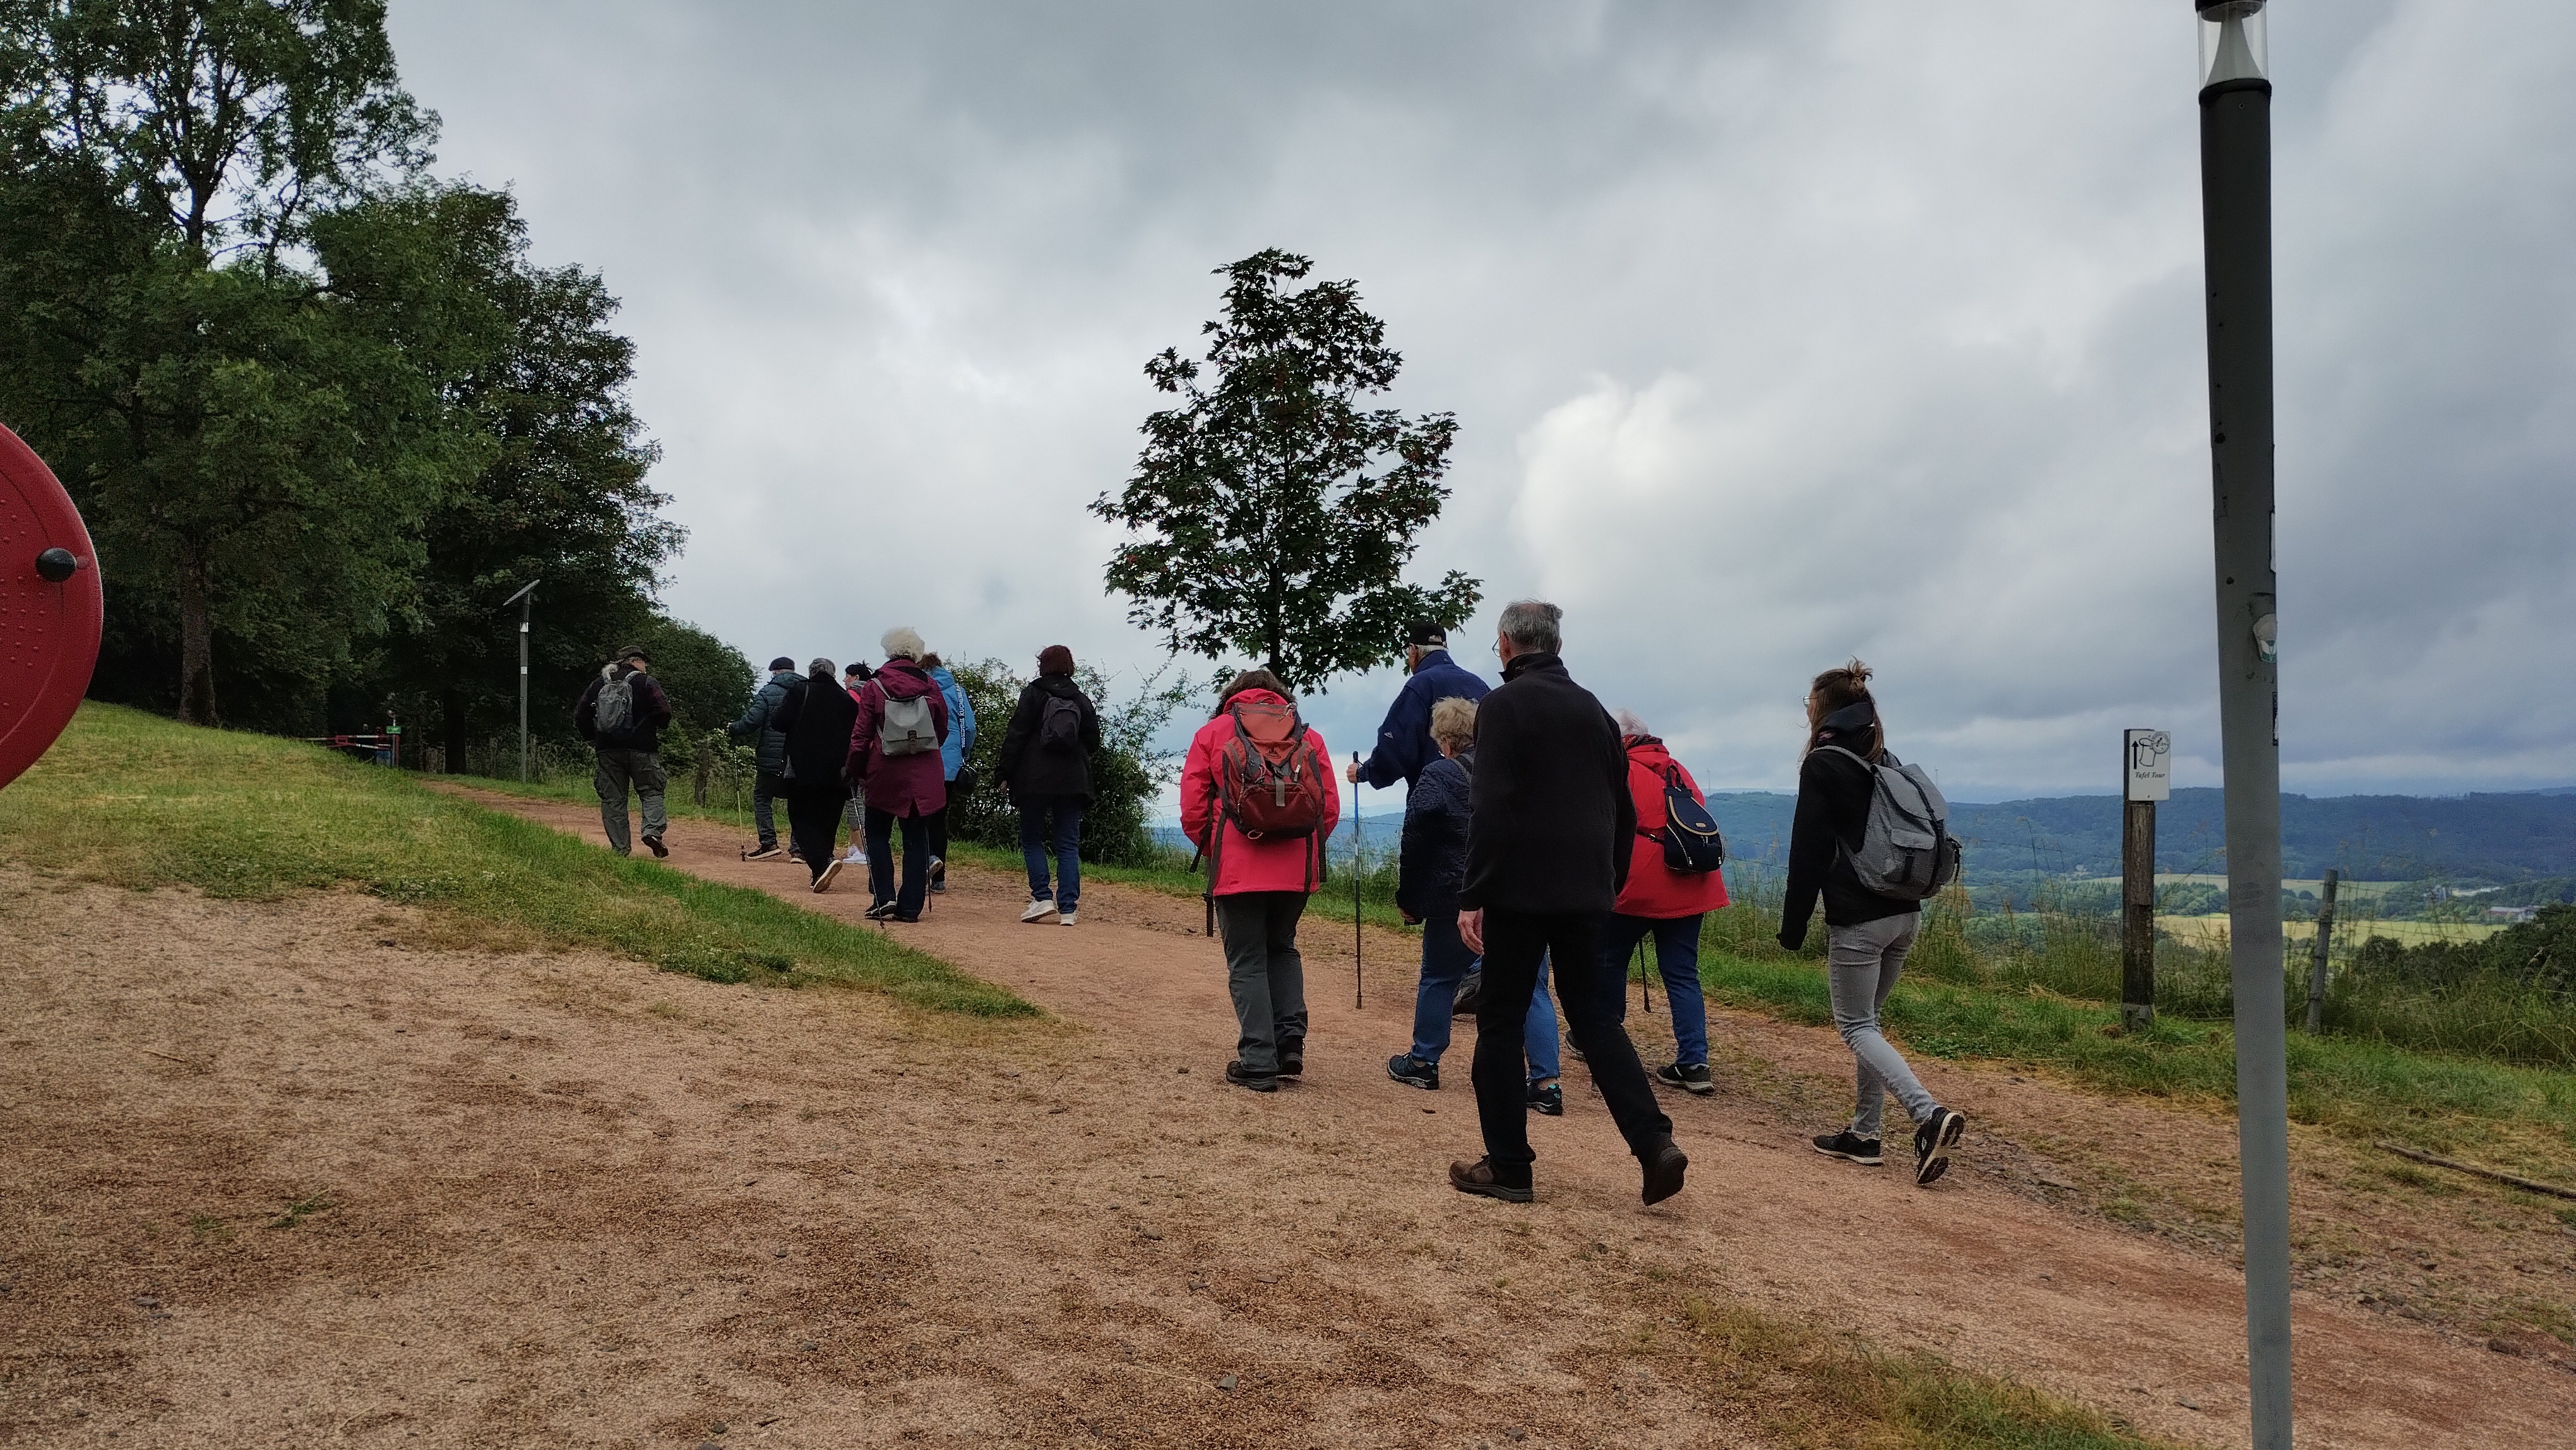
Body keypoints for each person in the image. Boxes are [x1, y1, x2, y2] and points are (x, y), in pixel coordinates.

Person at [1448, 600, 1687, 1206]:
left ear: (1505, 644)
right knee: (1597, 1022)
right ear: (1554, 644)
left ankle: (1509, 1166)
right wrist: (1608, 880)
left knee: (1500, 1021)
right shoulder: (1595, 711)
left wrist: (1473, 893)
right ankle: (1655, 1144)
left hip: (1519, 893)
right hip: (1587, 894)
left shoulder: (1503, 706)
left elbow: (1492, 807)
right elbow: (1625, 812)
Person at [1782, 659, 1967, 1187]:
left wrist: (1793, 927)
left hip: (1860, 921)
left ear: (1820, 711)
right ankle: (1865, 1136)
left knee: (1856, 1026)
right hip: (1906, 915)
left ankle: (1928, 1114)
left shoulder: (1824, 764)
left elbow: (1807, 852)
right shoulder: (1883, 760)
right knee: (1871, 1027)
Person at [1385, 696, 1566, 1114]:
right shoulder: (1520, 772)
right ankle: (1546, 1082)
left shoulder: (1438, 775)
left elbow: (1415, 841)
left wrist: (1410, 898)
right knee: (1533, 986)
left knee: (1439, 977)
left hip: (1458, 897)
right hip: (1524, 898)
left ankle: (1424, 1062)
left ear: (1446, 741)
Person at [1179, 669, 1337, 1092]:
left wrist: (1216, 847)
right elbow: (1329, 808)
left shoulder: (1212, 733)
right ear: (1279, 697)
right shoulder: (1309, 736)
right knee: (1282, 947)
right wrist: (1299, 845)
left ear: (1233, 697)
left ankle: (1258, 1060)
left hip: (1237, 864)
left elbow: (1193, 808)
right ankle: (1289, 1045)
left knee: (1247, 959)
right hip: (1295, 869)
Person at [1602, 709, 1731, 1094]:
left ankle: (1605, 1044)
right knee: (1681, 974)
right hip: (1693, 884)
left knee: (1609, 961)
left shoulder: (1620, 769)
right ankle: (1694, 1063)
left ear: (1621, 738)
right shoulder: (1677, 769)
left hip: (1639, 885)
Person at [994, 645, 1102, 925]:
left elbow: (1016, 734)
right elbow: (1094, 741)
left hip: (1034, 779)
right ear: (1070, 665)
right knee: (1067, 844)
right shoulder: (1080, 698)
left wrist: (1004, 772)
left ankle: (1042, 898)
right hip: (1073, 780)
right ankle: (1068, 909)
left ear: (1042, 664)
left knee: (1032, 838)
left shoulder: (1033, 693)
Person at [847, 628, 950, 921]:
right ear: (916, 653)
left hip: (884, 772)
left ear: (889, 652)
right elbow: (942, 729)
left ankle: (884, 897)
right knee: (916, 839)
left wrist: (856, 768)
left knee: (877, 834)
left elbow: (860, 734)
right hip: (923, 775)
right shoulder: (930, 686)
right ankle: (910, 907)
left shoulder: (875, 686)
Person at [1346, 620, 1489, 791]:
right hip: (1481, 795)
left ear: (1413, 650)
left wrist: (1364, 773)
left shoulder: (1419, 686)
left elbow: (1396, 746)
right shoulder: (1479, 685)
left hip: (1434, 796)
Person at [573, 644, 673, 858]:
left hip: (607, 750)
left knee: (613, 799)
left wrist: (594, 738)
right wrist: (652, 725)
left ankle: (620, 849)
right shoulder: (646, 682)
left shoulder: (599, 683)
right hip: (643, 749)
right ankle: (652, 831)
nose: (646, 666)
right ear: (635, 661)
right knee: (651, 790)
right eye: (644, 662)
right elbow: (664, 712)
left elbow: (581, 715)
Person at [770, 658, 858, 892]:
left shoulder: (800, 691)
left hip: (802, 768)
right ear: (833, 673)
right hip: (838, 773)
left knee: (800, 819)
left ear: (811, 672)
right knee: (827, 820)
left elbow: (778, 722)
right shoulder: (847, 700)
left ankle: (823, 862)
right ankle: (820, 871)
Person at [726, 656, 799, 860]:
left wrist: (734, 728)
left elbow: (752, 721)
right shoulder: (806, 690)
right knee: (798, 801)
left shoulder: (768, 692)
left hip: (772, 758)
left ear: (775, 672)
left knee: (762, 797)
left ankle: (769, 842)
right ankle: (798, 849)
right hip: (800, 759)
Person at [919, 650, 977, 894]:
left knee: (919, 819)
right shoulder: (958, 692)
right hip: (951, 766)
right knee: (939, 819)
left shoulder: (920, 688)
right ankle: (939, 879)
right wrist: (962, 755)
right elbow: (971, 728)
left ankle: (924, 864)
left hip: (924, 760)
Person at [838, 661, 874, 869]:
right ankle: (855, 846)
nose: (845, 680)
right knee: (859, 800)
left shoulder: (852, 697)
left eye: (848, 676)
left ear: (857, 678)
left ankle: (862, 850)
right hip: (871, 755)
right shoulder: (874, 696)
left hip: (855, 754)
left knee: (854, 800)